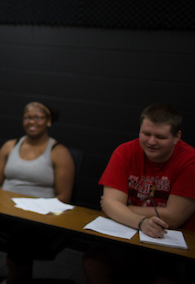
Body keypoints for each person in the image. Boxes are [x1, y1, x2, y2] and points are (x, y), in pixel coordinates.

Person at [0, 102, 75, 284]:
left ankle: (11, 281)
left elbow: (64, 196)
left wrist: (39, 209)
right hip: (6, 210)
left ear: (48, 121)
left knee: (21, 237)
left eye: (38, 117)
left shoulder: (59, 152)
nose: (31, 121)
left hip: (38, 217)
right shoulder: (10, 146)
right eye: (27, 117)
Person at [83, 103, 195, 284]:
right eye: (146, 134)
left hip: (171, 238)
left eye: (160, 137)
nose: (151, 142)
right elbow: (110, 205)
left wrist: (121, 208)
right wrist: (141, 222)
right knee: (93, 263)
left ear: (176, 137)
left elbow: (174, 218)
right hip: (129, 230)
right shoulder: (125, 151)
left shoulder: (190, 161)